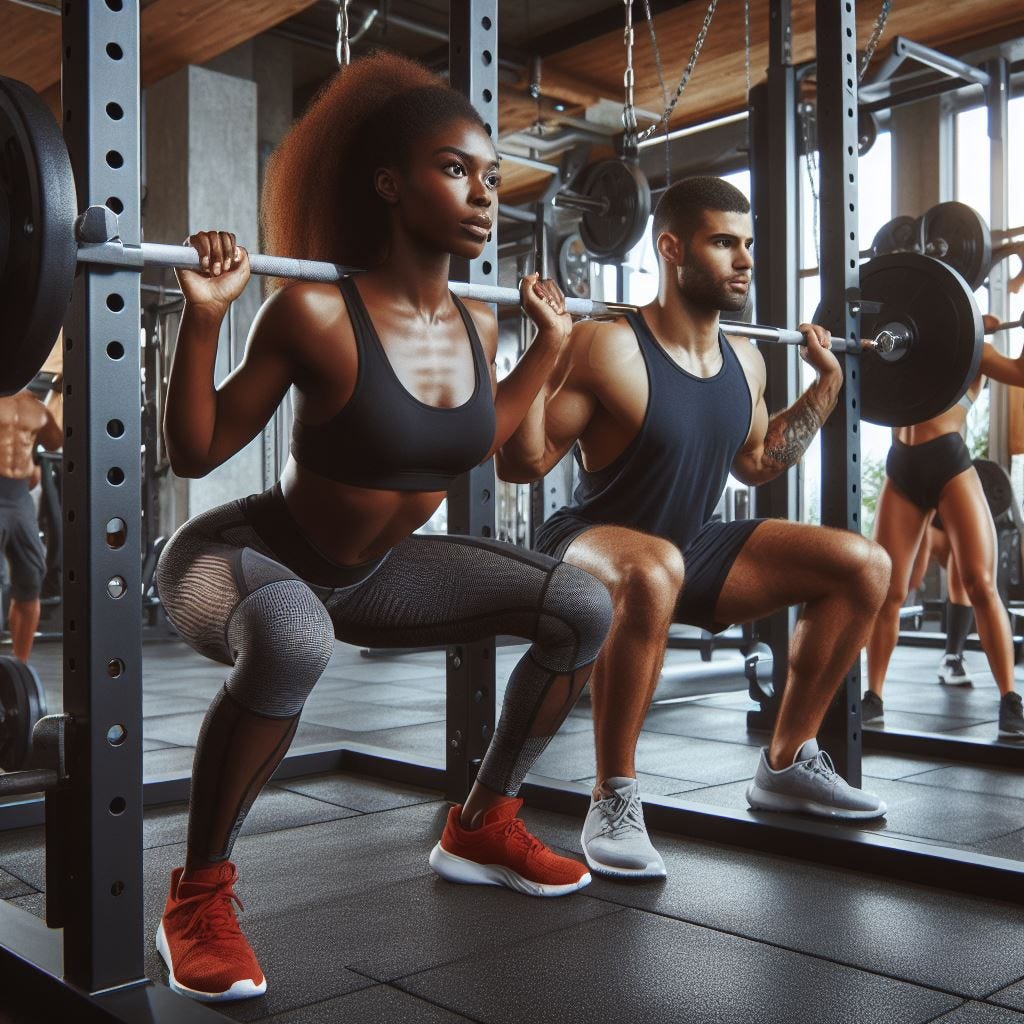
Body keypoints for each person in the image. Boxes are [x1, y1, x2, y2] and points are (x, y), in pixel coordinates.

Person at [154, 52, 614, 1003]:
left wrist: (554, 350)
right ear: (390, 184)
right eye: (456, 169)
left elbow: (482, 436)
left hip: (370, 575)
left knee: (581, 605)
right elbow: (195, 452)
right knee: (293, 632)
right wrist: (204, 320)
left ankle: (483, 823)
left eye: (491, 175)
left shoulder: (477, 328)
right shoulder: (315, 309)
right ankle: (197, 899)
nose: (484, 194)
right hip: (240, 561)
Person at [497, 175, 892, 881]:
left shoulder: (745, 360)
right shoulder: (607, 346)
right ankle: (614, 794)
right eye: (723, 243)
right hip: (588, 543)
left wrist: (827, 385)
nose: (744, 259)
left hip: (686, 546)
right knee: (651, 568)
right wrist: (544, 348)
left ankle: (785, 764)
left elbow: (758, 463)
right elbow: (522, 464)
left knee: (865, 564)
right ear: (672, 247)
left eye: (747, 244)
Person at [863, 314, 1024, 738]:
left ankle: (1010, 700)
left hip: (950, 465)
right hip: (902, 469)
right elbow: (866, 361)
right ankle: (873, 697)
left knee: (979, 583)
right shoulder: (905, 342)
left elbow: (1021, 374)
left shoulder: (976, 351)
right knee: (890, 591)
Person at [0, 375, 63, 662]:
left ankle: (20, 667)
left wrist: (61, 393)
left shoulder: (34, 406)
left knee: (31, 576)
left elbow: (55, 440)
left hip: (19, 498)